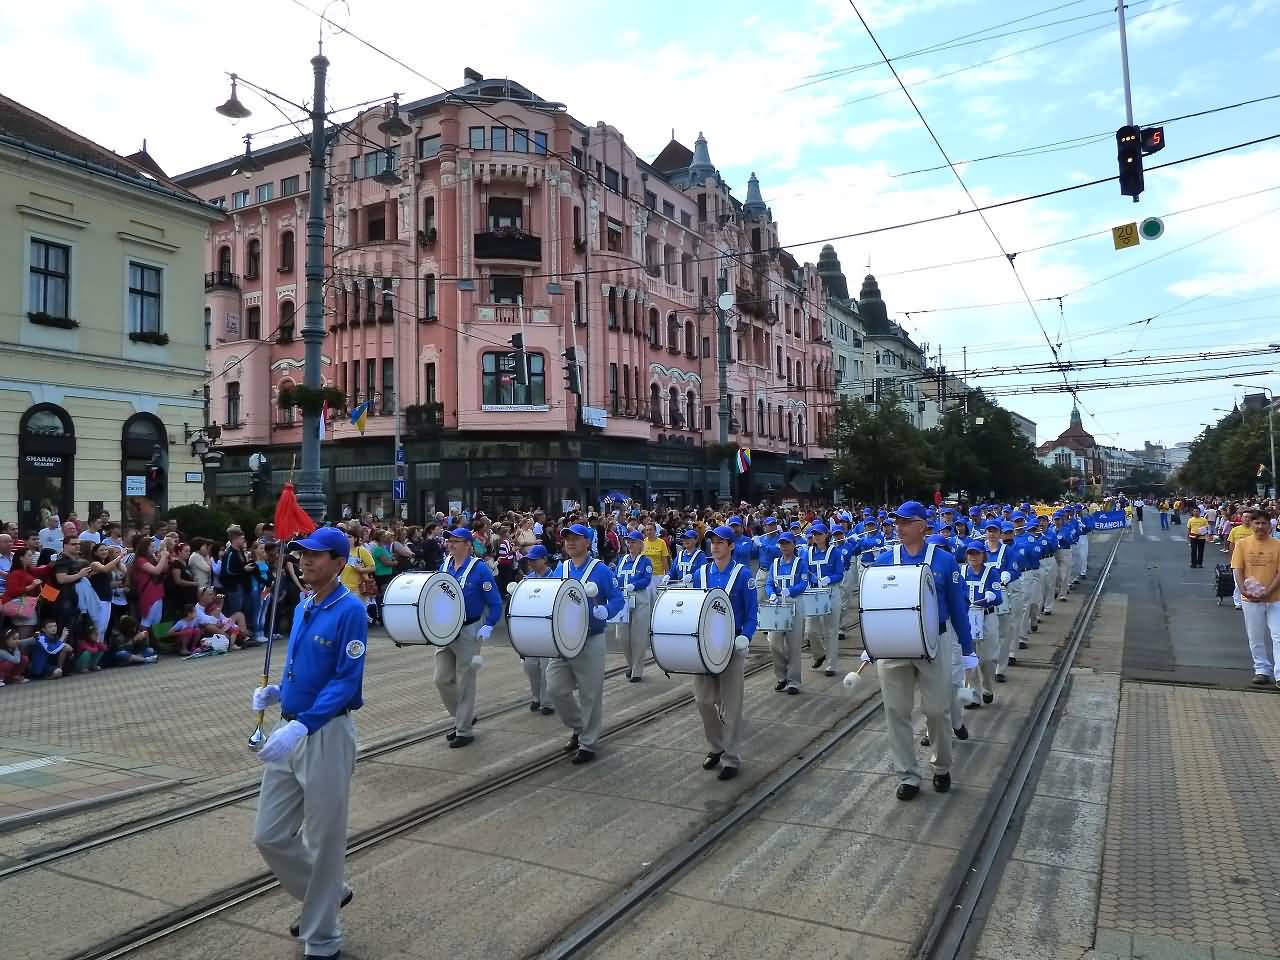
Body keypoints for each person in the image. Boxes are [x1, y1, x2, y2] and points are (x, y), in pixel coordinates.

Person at [251, 526, 366, 960]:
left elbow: (345, 680)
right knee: (270, 835)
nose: (306, 561)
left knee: (324, 841)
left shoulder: (349, 610)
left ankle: (322, 940)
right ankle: (329, 892)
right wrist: (278, 692)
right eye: (302, 555)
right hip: (291, 730)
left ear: (339, 562)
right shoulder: (303, 604)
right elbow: (302, 666)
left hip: (325, 735)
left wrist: (304, 724)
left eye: (316, 556)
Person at [871, 501, 976, 802]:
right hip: (894, 645)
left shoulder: (943, 561)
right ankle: (907, 774)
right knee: (895, 711)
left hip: (933, 643)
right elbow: (873, 604)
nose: (899, 528)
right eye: (897, 523)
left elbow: (958, 607)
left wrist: (967, 649)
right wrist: (872, 643)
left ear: (922, 526)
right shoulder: (883, 560)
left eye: (906, 522)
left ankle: (941, 766)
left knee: (936, 711)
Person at [548, 523, 624, 764]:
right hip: (562, 640)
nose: (570, 542)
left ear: (588, 543)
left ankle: (588, 743)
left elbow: (618, 598)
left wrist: (605, 610)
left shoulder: (599, 570)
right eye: (567, 538)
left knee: (590, 694)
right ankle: (579, 727)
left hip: (590, 638)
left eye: (576, 539)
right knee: (555, 688)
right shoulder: (561, 568)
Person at [692, 525, 758, 780]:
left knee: (731, 705)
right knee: (703, 700)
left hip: (732, 645)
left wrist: (746, 637)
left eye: (721, 542)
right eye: (713, 542)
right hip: (705, 647)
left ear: (731, 546)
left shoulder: (743, 575)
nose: (716, 546)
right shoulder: (701, 574)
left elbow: (752, 614)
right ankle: (716, 746)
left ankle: (730, 757)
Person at [436, 528, 502, 748]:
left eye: (456, 541)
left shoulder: (480, 569)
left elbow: (494, 602)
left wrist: (489, 625)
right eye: (449, 541)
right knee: (441, 679)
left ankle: (463, 730)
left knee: (465, 682)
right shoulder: (444, 565)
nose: (451, 544)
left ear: (467, 544)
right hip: (445, 629)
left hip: (469, 629)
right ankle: (463, 716)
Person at [1231, 509, 1280, 687]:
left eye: (1264, 523)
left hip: (1275, 599)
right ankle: (1261, 670)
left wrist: (1267, 592)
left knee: (1278, 636)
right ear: (1251, 525)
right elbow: (1237, 569)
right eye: (1257, 523)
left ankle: (1279, 674)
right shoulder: (1242, 544)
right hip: (1250, 600)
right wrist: (1244, 591)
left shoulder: (1277, 545)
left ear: (1269, 525)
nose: (1260, 526)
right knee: (1256, 637)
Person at [765, 531, 808, 694]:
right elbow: (769, 583)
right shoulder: (775, 563)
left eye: (787, 543)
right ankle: (781, 675)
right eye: (782, 544)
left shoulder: (800, 563)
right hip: (777, 605)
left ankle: (794, 681)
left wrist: (789, 591)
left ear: (793, 545)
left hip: (794, 603)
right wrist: (771, 594)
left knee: (794, 644)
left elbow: (804, 583)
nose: (784, 547)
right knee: (774, 642)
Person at [804, 522, 845, 676]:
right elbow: (804, 572)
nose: (816, 537)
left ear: (826, 535)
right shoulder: (807, 552)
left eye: (819, 534)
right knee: (810, 630)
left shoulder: (834, 552)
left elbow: (840, 574)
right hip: (814, 593)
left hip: (831, 591)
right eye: (814, 534)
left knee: (831, 630)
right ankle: (819, 654)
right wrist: (806, 584)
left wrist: (829, 579)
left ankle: (831, 664)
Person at [519, 545, 555, 714]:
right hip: (531, 630)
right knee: (530, 666)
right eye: (529, 560)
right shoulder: (527, 580)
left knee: (546, 666)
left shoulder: (555, 578)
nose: (531, 563)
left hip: (548, 630)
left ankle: (547, 702)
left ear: (544, 560)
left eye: (534, 560)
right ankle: (536, 696)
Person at [613, 531, 654, 682]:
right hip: (623, 599)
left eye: (633, 542)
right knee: (622, 636)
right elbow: (617, 576)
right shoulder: (622, 560)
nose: (630, 545)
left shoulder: (645, 561)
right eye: (628, 542)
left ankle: (637, 669)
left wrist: (634, 585)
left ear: (641, 544)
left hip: (639, 598)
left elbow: (646, 579)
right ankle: (631, 664)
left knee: (638, 635)